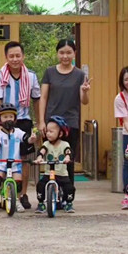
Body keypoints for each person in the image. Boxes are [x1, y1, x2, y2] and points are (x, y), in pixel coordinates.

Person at [0, 40, 40, 209]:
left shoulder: (31, 76)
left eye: (18, 55)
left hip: (23, 119)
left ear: (23, 56)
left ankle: (22, 194)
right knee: (1, 156)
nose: (15, 59)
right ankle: (0, 196)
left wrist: (39, 122)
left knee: (23, 159)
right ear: (6, 57)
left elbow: (36, 100)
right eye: (11, 56)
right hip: (3, 119)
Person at [38, 38, 90, 183]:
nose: (65, 56)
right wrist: (42, 121)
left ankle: (68, 197)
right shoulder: (49, 72)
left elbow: (84, 101)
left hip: (70, 124)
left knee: (68, 161)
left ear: (74, 54)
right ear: (57, 54)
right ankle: (50, 194)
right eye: (62, 53)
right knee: (50, 160)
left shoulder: (80, 75)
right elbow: (43, 97)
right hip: (51, 124)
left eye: (69, 52)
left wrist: (85, 91)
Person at [33, 115, 75, 213]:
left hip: (61, 174)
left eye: (51, 132)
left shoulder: (64, 144)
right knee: (40, 185)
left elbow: (68, 151)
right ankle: (41, 203)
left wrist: (67, 157)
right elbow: (42, 151)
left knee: (69, 187)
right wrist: (39, 158)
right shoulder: (46, 144)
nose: (48, 134)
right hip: (49, 173)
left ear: (60, 134)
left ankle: (68, 203)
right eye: (47, 131)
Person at [0, 102, 27, 213]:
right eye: (5, 117)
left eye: (11, 116)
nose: (8, 119)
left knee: (18, 183)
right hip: (1, 163)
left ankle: (18, 201)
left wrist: (32, 139)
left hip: (15, 163)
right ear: (0, 119)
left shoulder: (18, 132)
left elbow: (26, 138)